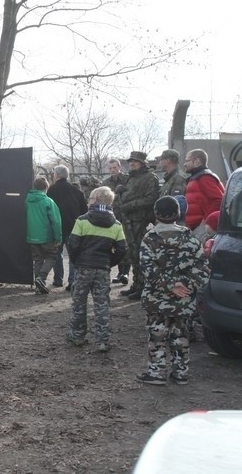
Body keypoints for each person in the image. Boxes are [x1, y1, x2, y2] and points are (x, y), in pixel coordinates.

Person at [135, 196, 210, 386]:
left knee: (157, 335)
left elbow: (147, 270)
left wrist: (170, 285)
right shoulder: (191, 240)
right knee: (181, 335)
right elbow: (203, 270)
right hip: (184, 300)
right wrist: (184, 285)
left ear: (156, 214)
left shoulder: (150, 240)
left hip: (157, 299)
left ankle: (157, 372)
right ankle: (181, 372)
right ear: (178, 213)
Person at [66, 186, 128, 352]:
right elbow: (122, 248)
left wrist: (76, 260)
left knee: (79, 302)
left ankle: (78, 335)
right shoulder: (116, 225)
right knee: (102, 304)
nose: (88, 201)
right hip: (102, 269)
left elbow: (72, 244)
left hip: (83, 268)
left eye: (90, 199)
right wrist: (110, 262)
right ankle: (103, 340)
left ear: (96, 201)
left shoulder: (82, 221)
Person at [117, 151, 160, 300]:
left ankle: (143, 287)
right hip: (128, 220)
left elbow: (151, 199)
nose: (132, 164)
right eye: (131, 161)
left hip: (140, 221)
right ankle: (136, 285)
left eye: (135, 161)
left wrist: (130, 205)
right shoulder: (131, 177)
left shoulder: (150, 178)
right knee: (132, 254)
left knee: (139, 254)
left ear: (142, 163)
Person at [47, 165, 88, 290]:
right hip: (73, 227)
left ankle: (58, 279)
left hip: (57, 227)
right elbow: (84, 211)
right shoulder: (77, 191)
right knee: (73, 256)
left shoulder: (51, 190)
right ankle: (73, 281)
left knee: (56, 254)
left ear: (57, 175)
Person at [26, 176, 62, 295]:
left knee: (38, 259)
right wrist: (58, 238)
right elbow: (56, 222)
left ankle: (38, 287)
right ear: (46, 188)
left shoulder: (27, 200)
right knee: (52, 257)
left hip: (32, 236)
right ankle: (41, 278)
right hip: (47, 236)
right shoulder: (48, 201)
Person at [184, 149, 225, 240]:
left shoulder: (204, 177)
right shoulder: (197, 177)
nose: (184, 164)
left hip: (201, 228)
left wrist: (204, 223)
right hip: (196, 227)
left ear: (197, 161)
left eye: (187, 161)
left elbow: (219, 200)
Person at [103, 158, 131, 284]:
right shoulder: (106, 182)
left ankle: (126, 272)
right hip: (112, 216)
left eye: (114, 167)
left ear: (119, 167)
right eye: (110, 168)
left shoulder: (127, 180)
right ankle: (120, 272)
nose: (112, 170)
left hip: (126, 216)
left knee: (126, 243)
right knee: (115, 245)